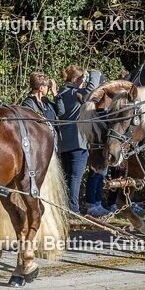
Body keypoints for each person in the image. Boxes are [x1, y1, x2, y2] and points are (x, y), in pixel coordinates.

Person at [55, 65, 96, 214]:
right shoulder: (76, 92)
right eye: (82, 78)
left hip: (64, 142)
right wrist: (94, 74)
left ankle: (64, 207)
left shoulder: (61, 92)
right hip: (78, 142)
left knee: (67, 177)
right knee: (75, 178)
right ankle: (73, 210)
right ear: (77, 79)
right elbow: (92, 90)